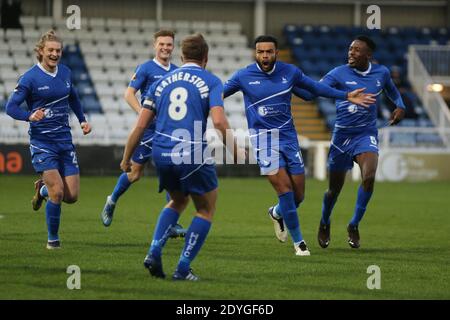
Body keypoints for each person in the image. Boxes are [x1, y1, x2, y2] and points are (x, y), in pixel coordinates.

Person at [223, 35, 375, 256]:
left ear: (276, 53)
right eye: (260, 52)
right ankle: (299, 243)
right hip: (263, 139)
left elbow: (315, 89)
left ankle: (276, 213)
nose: (264, 55)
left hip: (288, 137)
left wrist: (345, 95)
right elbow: (217, 96)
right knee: (284, 190)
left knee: (298, 196)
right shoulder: (243, 76)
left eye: (269, 51)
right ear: (255, 53)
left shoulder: (290, 72)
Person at [121, 33, 243, 281]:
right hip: (191, 151)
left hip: (161, 152)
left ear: (182, 56)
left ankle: (154, 250)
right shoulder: (211, 80)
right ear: (205, 58)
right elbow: (218, 120)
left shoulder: (161, 82)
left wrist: (127, 158)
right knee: (206, 209)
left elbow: (140, 125)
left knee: (177, 201)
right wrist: (236, 150)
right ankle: (183, 268)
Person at [292, 35, 405, 249]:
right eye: (350, 49)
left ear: (368, 55)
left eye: (356, 50)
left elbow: (391, 89)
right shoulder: (338, 73)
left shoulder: (381, 73)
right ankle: (325, 222)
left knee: (369, 178)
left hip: (366, 134)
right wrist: (292, 86)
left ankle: (354, 225)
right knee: (334, 190)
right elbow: (314, 92)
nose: (350, 53)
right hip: (342, 137)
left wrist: (400, 106)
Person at [5, 30, 92, 249]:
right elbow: (11, 107)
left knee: (71, 196)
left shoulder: (65, 72)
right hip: (42, 143)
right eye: (50, 50)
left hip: (65, 141)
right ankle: (53, 240)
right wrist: (29, 116)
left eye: (58, 50)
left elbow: (73, 97)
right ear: (41, 52)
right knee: (59, 192)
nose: (55, 54)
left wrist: (82, 120)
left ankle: (42, 190)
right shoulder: (30, 78)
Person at [100, 29, 185, 237]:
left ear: (173, 47)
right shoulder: (146, 68)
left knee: (172, 173)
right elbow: (129, 93)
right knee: (135, 174)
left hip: (168, 131)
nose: (165, 48)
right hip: (147, 131)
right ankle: (111, 200)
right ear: (154, 45)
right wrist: (142, 114)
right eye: (161, 44)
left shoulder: (177, 71)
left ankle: (171, 223)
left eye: (169, 44)